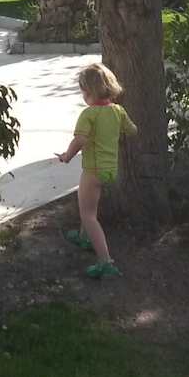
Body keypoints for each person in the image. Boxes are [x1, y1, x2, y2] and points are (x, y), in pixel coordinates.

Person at [55, 63, 138, 280]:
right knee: (89, 205)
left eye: (83, 91)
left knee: (88, 215)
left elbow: (79, 140)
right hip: (110, 170)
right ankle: (84, 237)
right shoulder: (118, 111)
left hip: (92, 170)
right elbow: (132, 130)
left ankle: (106, 262)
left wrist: (67, 156)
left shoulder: (89, 114)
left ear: (89, 92)